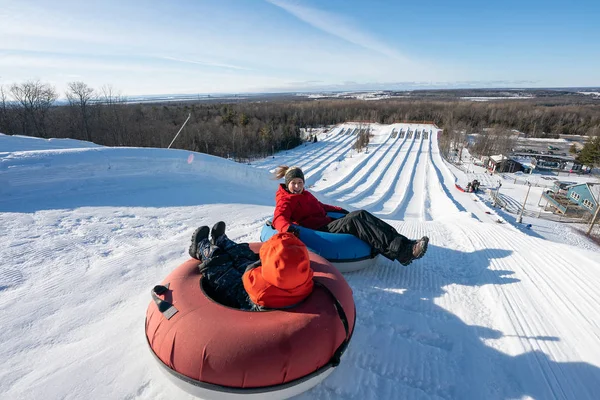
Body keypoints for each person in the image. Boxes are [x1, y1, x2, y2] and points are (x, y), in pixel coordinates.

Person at [272, 166, 429, 266]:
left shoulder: (305, 195)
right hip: (319, 230)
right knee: (355, 221)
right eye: (294, 183)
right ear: (287, 184)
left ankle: (406, 242)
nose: (297, 186)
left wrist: (339, 209)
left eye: (300, 182)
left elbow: (321, 207)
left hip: (327, 221)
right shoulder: (286, 200)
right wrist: (287, 228)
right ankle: (404, 253)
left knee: (360, 213)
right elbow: (279, 217)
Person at [189, 222, 313, 310]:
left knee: (223, 271)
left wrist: (256, 263)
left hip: (247, 299)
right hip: (274, 285)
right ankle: (222, 243)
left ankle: (202, 250)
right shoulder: (305, 278)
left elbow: (247, 276)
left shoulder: (259, 289)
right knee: (246, 258)